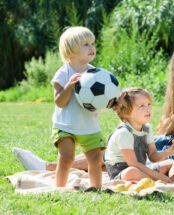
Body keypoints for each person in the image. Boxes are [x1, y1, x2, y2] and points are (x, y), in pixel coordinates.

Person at [13, 42, 174, 172]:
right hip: (171, 144)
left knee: (120, 155)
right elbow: (164, 128)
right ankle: (50, 167)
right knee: (120, 153)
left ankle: (50, 167)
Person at [50, 26, 106, 189]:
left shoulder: (96, 73)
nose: (91, 48)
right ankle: (59, 188)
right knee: (66, 158)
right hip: (65, 125)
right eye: (86, 44)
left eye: (92, 43)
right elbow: (59, 101)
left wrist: (114, 101)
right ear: (70, 51)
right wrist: (69, 86)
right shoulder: (63, 73)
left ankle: (95, 189)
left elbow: (102, 98)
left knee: (96, 160)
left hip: (89, 126)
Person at [104, 87, 174, 183]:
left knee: (171, 163)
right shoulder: (124, 133)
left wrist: (168, 152)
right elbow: (133, 164)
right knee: (132, 171)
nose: (148, 109)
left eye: (149, 104)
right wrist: (160, 177)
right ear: (126, 112)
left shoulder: (147, 128)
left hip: (141, 168)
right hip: (122, 172)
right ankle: (162, 182)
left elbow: (153, 156)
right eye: (142, 106)